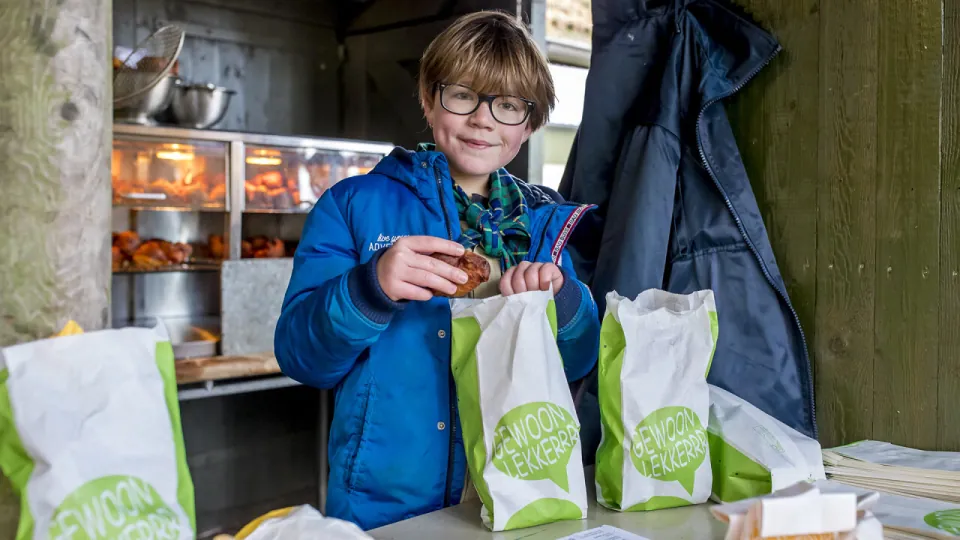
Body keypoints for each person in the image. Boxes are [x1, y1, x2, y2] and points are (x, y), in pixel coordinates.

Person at [274, 10, 600, 531]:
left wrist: (562, 300)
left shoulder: (545, 223)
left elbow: (579, 361)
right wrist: (369, 289)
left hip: (522, 490)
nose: (483, 119)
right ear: (428, 100)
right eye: (463, 95)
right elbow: (301, 356)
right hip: (390, 505)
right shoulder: (354, 206)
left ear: (530, 124)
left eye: (508, 105)